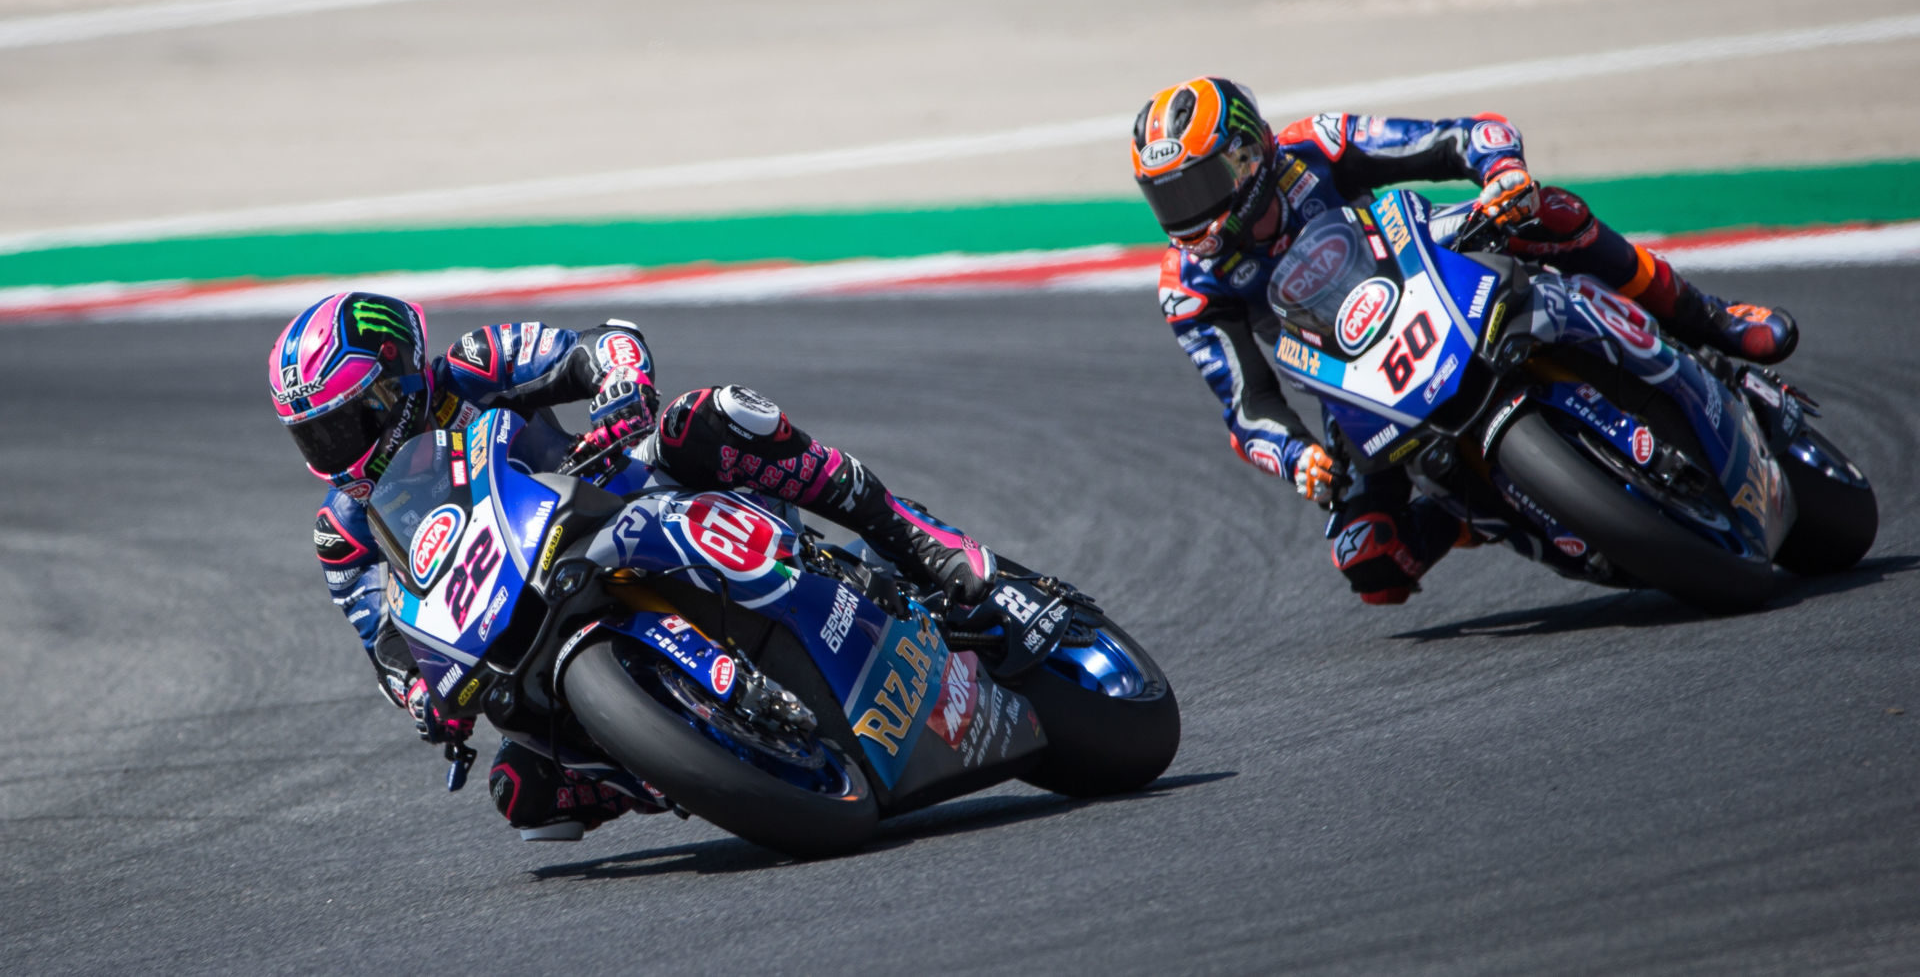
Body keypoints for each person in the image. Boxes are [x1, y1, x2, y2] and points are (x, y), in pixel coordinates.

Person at [269, 292, 996, 839]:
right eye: (314, 437)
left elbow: (602, 345)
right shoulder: (342, 528)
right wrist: (419, 697)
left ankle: (906, 531)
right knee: (523, 796)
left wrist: (620, 393)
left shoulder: (475, 366)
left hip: (610, 498)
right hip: (512, 615)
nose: (333, 451)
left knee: (711, 417)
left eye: (346, 424)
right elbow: (382, 638)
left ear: (396, 381)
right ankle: (667, 761)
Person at [1131, 77, 1799, 605]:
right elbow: (1246, 407)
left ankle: (1709, 319)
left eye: (1198, 185)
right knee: (1372, 563)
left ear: (1247, 156)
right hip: (1348, 374)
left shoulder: (1317, 145)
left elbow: (1462, 136)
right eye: (1167, 198)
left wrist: (1500, 169)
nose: (1187, 214)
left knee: (1547, 212)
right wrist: (1296, 457)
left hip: (1424, 263)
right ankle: (1467, 516)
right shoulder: (1187, 285)